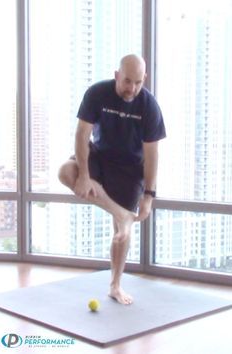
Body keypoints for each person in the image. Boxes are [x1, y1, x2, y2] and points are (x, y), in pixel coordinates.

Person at [58, 54, 166, 305]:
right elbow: (82, 134)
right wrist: (84, 176)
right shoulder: (97, 93)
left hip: (130, 168)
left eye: (138, 82)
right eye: (127, 81)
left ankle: (115, 286)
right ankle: (121, 213)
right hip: (100, 156)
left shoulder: (149, 106)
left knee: (121, 236)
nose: (132, 88)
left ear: (145, 79)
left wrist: (148, 196)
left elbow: (152, 155)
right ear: (117, 75)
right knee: (65, 172)